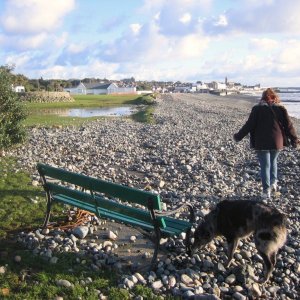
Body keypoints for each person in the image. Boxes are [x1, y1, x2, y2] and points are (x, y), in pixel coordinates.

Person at [233, 88, 299, 199]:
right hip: (277, 141)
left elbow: (249, 125)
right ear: (275, 97)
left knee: (265, 166)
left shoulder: (257, 109)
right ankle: (274, 183)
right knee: (273, 162)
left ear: (263, 98)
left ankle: (266, 191)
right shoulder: (281, 109)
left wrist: (238, 137)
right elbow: (289, 126)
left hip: (261, 142)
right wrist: (294, 139)